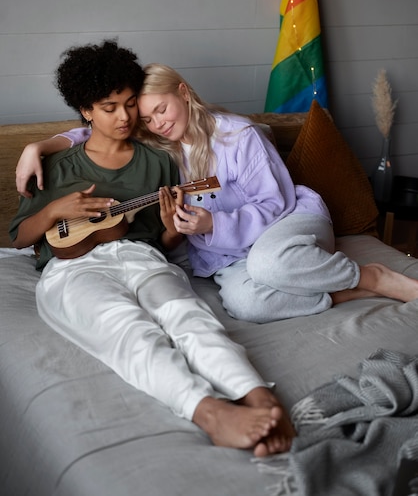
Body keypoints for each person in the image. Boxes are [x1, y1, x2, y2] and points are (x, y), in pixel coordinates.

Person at [10, 40, 295, 457]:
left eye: (129, 104)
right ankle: (211, 413)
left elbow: (163, 242)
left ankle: (258, 396)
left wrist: (172, 230)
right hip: (73, 268)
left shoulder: (158, 159)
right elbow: (20, 238)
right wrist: (55, 207)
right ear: (87, 110)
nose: (124, 117)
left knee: (189, 315)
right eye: (109, 107)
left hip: (142, 256)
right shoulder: (56, 165)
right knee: (128, 328)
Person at [15, 63, 418, 325]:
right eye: (147, 116)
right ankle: (349, 290)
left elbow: (274, 202)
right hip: (226, 250)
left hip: (288, 219)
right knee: (247, 305)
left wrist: (213, 222)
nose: (157, 123)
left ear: (184, 93)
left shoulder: (238, 134)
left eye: (163, 109)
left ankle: (372, 275)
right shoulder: (157, 145)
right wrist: (41, 146)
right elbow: (96, 130)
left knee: (268, 264)